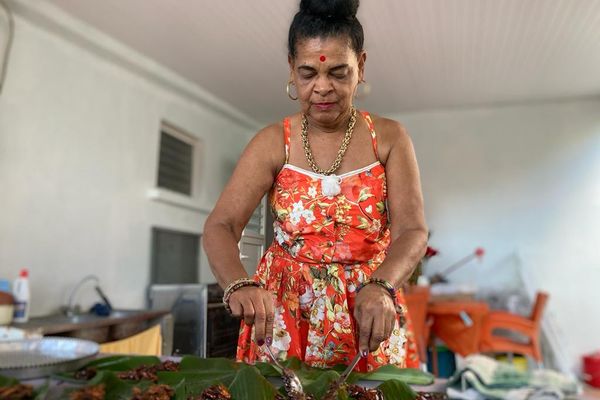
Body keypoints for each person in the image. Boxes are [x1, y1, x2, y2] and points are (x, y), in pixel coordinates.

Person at [203, 0, 428, 371]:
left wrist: (383, 286)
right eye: (308, 73)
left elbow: (412, 229)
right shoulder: (273, 141)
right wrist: (238, 284)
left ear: (362, 66)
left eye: (339, 73)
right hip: (284, 318)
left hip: (369, 311)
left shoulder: (389, 138)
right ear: (291, 68)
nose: (323, 88)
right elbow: (221, 226)